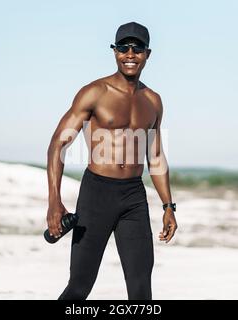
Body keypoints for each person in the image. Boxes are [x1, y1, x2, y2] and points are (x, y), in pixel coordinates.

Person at [46, 21, 178, 300]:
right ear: (115, 51)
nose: (130, 54)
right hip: (97, 194)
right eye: (123, 48)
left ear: (148, 54)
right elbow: (58, 144)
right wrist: (54, 202)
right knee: (80, 286)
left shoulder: (153, 101)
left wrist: (168, 206)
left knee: (141, 288)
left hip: (133, 196)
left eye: (137, 48)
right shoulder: (95, 92)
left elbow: (155, 155)